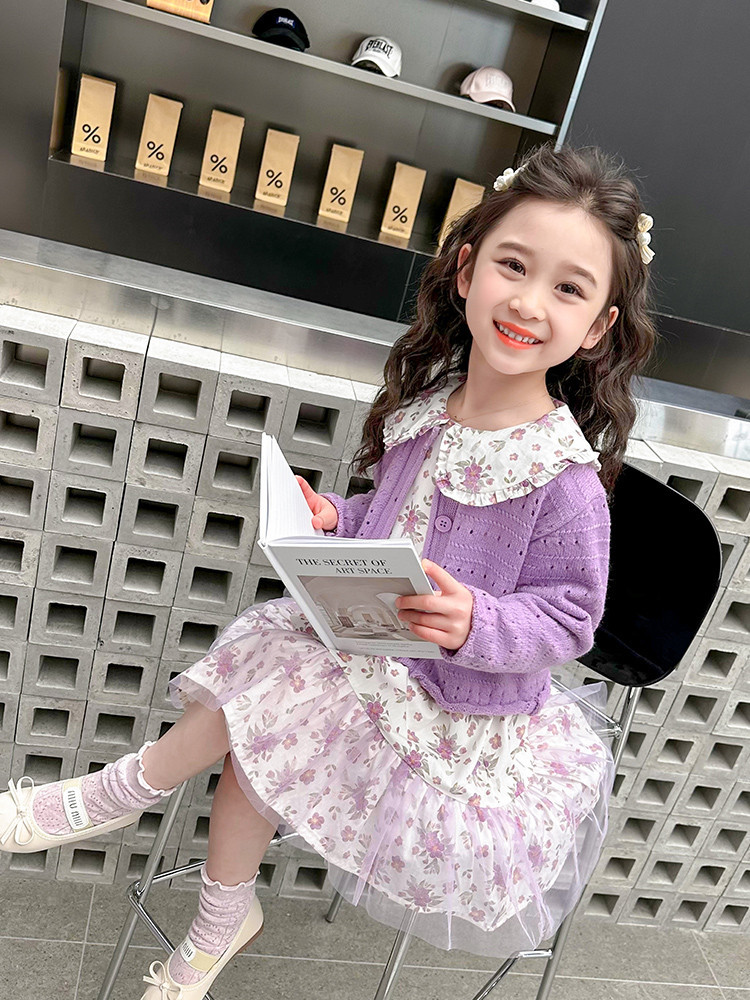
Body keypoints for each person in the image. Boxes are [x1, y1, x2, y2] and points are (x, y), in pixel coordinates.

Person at [0, 143, 657, 999]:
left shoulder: (562, 479)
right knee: (269, 711)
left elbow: (570, 617)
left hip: (450, 708)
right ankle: (217, 916)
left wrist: (478, 622)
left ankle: (121, 795)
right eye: (513, 265)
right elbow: (401, 519)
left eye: (569, 288)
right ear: (467, 271)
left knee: (272, 694)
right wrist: (337, 522)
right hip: (372, 651)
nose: (529, 302)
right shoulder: (432, 413)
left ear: (599, 325)